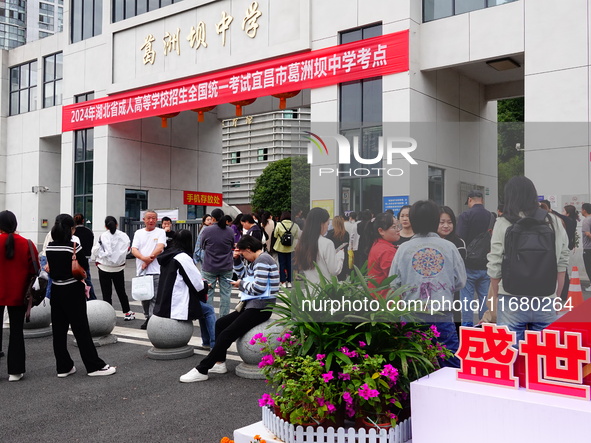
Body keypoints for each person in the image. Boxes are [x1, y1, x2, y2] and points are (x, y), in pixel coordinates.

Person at [179, 235, 279, 382]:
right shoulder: (257, 260)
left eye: (243, 253)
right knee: (220, 324)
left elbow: (258, 287)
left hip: (260, 308)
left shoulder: (263, 260)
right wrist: (237, 261)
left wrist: (241, 285)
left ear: (249, 249)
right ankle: (219, 363)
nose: (243, 256)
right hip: (252, 305)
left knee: (227, 333)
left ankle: (203, 368)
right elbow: (245, 275)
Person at [484, 176, 569, 342]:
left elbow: (495, 265)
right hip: (546, 296)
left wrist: (497, 295)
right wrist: (556, 296)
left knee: (511, 353)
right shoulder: (553, 221)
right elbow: (562, 262)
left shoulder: (503, 222)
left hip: (511, 296)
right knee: (544, 352)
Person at [389, 200, 466, 368]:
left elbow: (394, 283)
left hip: (411, 314)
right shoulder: (449, 247)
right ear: (435, 220)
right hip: (442, 313)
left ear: (413, 221)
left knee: (414, 363)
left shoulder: (403, 249)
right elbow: (461, 281)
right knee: (449, 360)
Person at [46, 214, 116, 377]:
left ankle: (63, 367)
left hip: (56, 290)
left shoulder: (50, 246)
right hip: (73, 290)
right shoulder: (74, 246)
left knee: (59, 331)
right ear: (71, 229)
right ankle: (94, 366)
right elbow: (83, 268)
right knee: (81, 329)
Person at [154, 230, 216, 348]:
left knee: (203, 309)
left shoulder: (169, 254)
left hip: (164, 301)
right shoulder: (182, 257)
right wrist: (205, 285)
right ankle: (214, 344)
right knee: (209, 310)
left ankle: (207, 342)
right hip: (177, 301)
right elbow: (197, 284)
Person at [0, 210, 37, 381]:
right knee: (16, 332)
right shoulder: (26, 244)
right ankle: (15, 371)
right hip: (19, 294)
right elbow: (33, 270)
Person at [457, 190, 494, 327]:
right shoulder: (491, 216)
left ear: (470, 200)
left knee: (466, 298)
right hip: (486, 264)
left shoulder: (465, 215)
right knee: (485, 297)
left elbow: (460, 238)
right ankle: (484, 326)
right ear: (482, 200)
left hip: (468, 263)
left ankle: (467, 327)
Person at [91, 216, 135, 320]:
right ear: (117, 224)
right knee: (121, 291)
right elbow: (128, 251)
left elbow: (95, 250)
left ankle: (108, 314)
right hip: (118, 268)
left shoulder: (103, 236)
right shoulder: (124, 236)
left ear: (105, 226)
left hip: (104, 267)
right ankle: (127, 312)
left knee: (106, 293)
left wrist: (102, 256)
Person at [131, 210, 166, 329]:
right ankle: (147, 316)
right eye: (149, 218)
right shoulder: (138, 233)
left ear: (157, 220)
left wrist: (148, 260)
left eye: (153, 218)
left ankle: (152, 319)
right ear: (144, 220)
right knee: (144, 296)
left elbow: (160, 248)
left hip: (156, 270)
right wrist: (144, 259)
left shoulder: (161, 232)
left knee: (155, 296)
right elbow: (134, 249)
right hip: (142, 271)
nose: (151, 220)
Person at [294, 207, 344, 285]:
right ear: (321, 224)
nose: (328, 227)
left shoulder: (302, 243)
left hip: (311, 291)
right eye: (327, 223)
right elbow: (334, 271)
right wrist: (340, 256)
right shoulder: (327, 243)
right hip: (326, 290)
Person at [200, 208, 235, 318]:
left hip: (209, 266)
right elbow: (232, 245)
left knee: (208, 293)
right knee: (226, 294)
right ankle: (223, 319)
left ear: (213, 218)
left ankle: (209, 317)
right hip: (226, 266)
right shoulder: (230, 230)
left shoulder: (207, 230)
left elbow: (202, 246)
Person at [366, 212, 400, 297]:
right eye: (394, 227)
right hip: (387, 300)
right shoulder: (386, 251)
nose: (398, 230)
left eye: (398, 226)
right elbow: (395, 278)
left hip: (379, 298)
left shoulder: (379, 245)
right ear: (381, 231)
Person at [273, 211, 299, 288]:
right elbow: (297, 236)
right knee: (290, 265)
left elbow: (275, 235)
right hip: (291, 248)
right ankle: (290, 281)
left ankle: (283, 281)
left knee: (282, 264)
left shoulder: (279, 224)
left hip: (281, 248)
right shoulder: (295, 225)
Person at [74, 213, 96, 300]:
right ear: (83, 220)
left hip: (75, 259)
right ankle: (91, 298)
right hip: (86, 257)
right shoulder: (88, 231)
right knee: (87, 279)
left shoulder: (73, 232)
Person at [326, 215, 350, 281]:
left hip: (332, 257)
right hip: (343, 257)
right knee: (342, 278)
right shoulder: (346, 234)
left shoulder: (330, 233)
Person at [582, 203, 591, 291]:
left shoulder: (586, 220)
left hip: (588, 248)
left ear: (584, 210)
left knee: (589, 267)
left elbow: (587, 233)